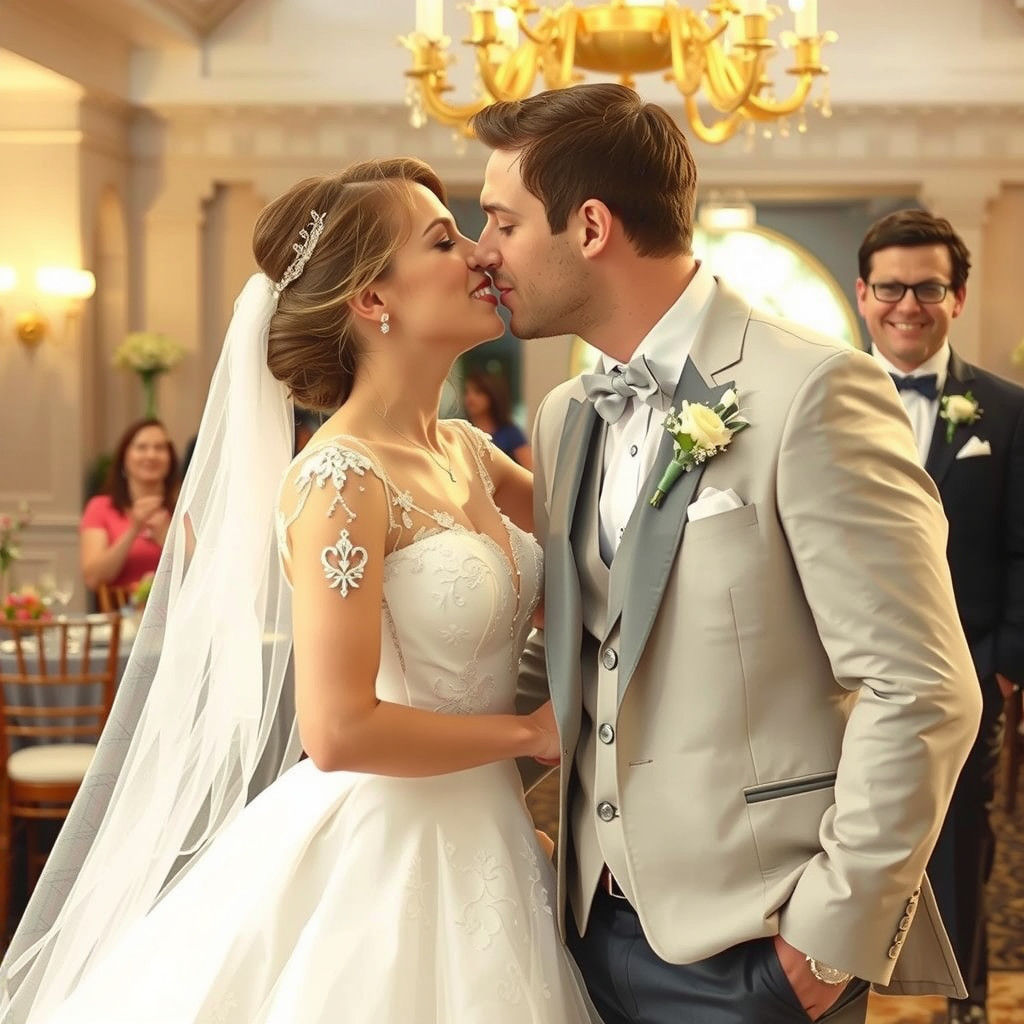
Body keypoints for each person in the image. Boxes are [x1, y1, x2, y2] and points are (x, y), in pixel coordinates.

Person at [0, 159, 598, 1023]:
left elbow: (591, 553)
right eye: (443, 238)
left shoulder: (466, 448)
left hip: (493, 837)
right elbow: (337, 728)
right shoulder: (338, 480)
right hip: (392, 856)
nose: (478, 254)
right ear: (370, 300)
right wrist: (534, 732)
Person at [470, 83, 982, 1024]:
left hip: (758, 947)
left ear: (590, 226)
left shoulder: (816, 391)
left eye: (500, 220)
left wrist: (822, 946)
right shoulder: (564, 414)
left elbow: (921, 685)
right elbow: (587, 644)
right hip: (582, 925)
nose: (482, 251)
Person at [856, 209, 1024, 1024]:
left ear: (957, 297)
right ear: (863, 295)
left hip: (965, 675)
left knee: (962, 847)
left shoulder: (1007, 411)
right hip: (838, 680)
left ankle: (967, 1007)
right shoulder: (819, 398)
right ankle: (835, 995)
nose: (908, 304)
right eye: (891, 287)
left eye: (928, 287)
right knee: (835, 844)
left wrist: (1002, 663)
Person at [80, 418, 178, 592]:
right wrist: (134, 529)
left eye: (160, 448)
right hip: (118, 616)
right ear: (124, 458)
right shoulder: (100, 507)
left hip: (175, 615)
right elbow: (93, 578)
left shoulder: (182, 510)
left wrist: (165, 537)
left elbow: (200, 573)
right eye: (141, 447)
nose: (151, 455)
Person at [464, 368, 534, 467]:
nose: (470, 398)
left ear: (492, 395)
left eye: (478, 392)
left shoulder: (510, 433)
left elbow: (530, 470)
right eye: (467, 392)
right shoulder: (461, 431)